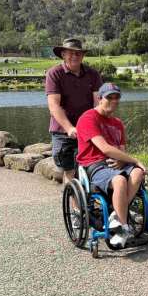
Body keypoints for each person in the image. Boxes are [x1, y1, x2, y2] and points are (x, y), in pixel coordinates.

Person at [75, 83, 146, 248]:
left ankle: (116, 212)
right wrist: (134, 159)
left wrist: (125, 161)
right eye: (109, 98)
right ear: (99, 98)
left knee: (138, 173)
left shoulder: (118, 123)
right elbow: (105, 148)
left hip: (116, 163)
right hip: (95, 164)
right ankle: (124, 228)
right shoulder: (88, 118)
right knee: (120, 180)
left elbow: (121, 150)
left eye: (116, 98)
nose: (113, 101)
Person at [45, 38, 103, 187]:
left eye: (78, 53)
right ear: (63, 54)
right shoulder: (54, 74)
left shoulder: (93, 74)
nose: (74, 56)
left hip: (87, 129)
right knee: (70, 171)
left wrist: (97, 125)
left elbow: (98, 103)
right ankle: (76, 208)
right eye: (70, 53)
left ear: (82, 56)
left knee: (92, 167)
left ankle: (90, 204)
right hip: (63, 131)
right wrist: (69, 128)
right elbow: (54, 106)